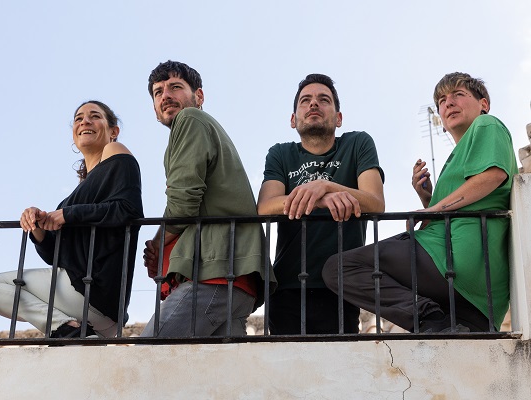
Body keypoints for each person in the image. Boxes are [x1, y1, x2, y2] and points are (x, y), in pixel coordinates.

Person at [322, 72, 518, 333]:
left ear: (484, 104)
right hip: (480, 298)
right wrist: (428, 198)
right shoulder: (460, 155)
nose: (448, 103)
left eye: (458, 94)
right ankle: (438, 323)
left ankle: (426, 316)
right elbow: (465, 204)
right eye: (442, 100)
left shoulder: (487, 124)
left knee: (339, 267)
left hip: (456, 259)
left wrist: (434, 208)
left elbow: (492, 176)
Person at [0, 100, 144, 338]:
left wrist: (67, 214)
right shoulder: (81, 190)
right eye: (78, 118)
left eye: (95, 116)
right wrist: (38, 228)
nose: (85, 121)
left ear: (113, 131)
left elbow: (128, 209)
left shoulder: (115, 151)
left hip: (92, 290)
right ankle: (74, 331)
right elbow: (56, 257)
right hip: (95, 305)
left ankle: (64, 329)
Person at [141, 60, 276, 337]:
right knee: (216, 367)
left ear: (199, 96)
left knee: (148, 354)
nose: (165, 96)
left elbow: (183, 203)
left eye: (175, 87)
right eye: (158, 92)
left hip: (214, 273)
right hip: (238, 279)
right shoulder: (202, 129)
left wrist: (157, 242)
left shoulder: (190, 119)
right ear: (154, 109)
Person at [257, 74, 385, 334]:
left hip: (341, 283)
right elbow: (265, 206)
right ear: (293, 120)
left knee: (339, 359)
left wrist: (327, 185)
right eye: (305, 100)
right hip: (288, 285)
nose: (313, 104)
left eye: (324, 100)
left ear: (338, 118)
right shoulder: (280, 153)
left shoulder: (358, 143)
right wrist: (322, 199)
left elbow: (375, 202)